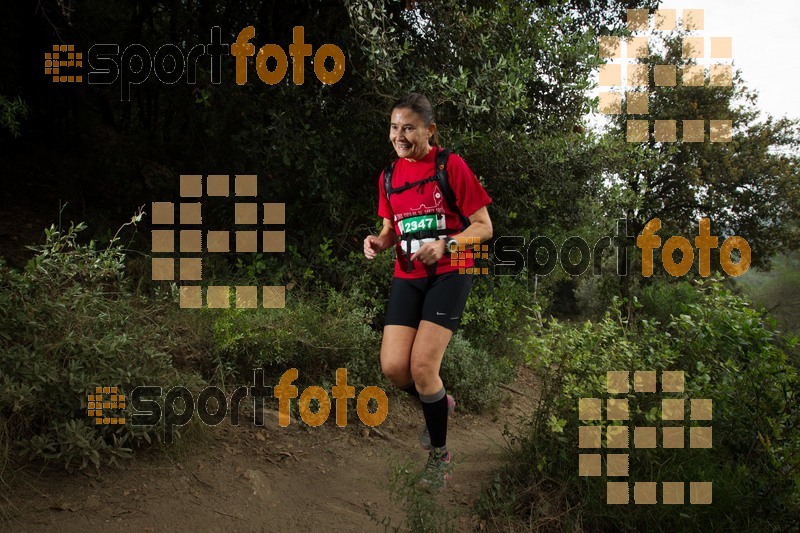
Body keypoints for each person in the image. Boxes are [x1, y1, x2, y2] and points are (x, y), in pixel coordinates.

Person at [363, 93, 493, 489]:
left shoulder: (449, 166)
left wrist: (448, 244)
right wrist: (378, 242)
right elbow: (390, 229)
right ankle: (440, 403)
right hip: (408, 275)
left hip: (451, 271)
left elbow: (484, 226)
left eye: (408, 128)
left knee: (422, 367)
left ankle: (440, 456)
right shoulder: (387, 177)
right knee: (393, 367)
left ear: (429, 130)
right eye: (394, 127)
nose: (399, 136)